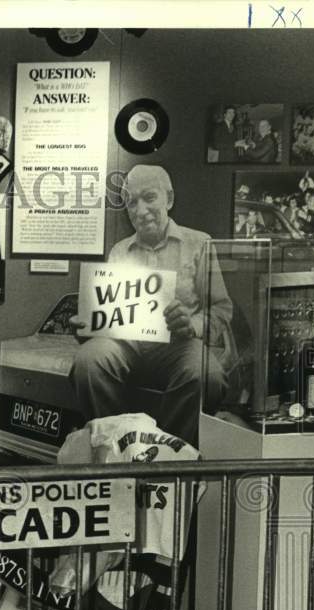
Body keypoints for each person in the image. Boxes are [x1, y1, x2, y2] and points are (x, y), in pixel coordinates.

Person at [69, 165, 233, 445]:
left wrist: (191, 325)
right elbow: (111, 314)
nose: (140, 210)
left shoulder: (199, 243)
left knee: (206, 375)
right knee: (88, 361)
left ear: (169, 199)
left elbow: (221, 310)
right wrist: (91, 324)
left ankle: (166, 456)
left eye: (149, 197)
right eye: (132, 202)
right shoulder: (120, 250)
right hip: (126, 345)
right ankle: (117, 448)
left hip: (178, 345)